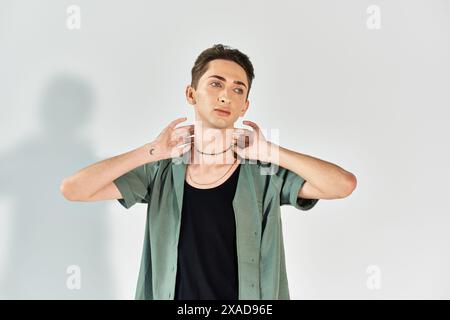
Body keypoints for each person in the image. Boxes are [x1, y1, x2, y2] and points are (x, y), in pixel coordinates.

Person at [60, 44, 357, 300]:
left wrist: (270, 152)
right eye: (216, 84)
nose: (226, 96)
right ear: (191, 93)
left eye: (237, 89)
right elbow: (74, 189)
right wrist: (151, 151)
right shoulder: (162, 169)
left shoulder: (264, 172)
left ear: (245, 106)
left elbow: (342, 185)